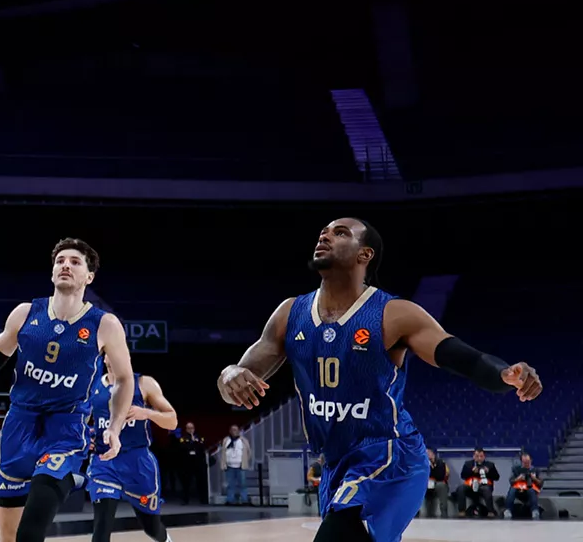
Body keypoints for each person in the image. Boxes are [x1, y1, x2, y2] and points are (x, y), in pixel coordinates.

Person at [217, 218, 542, 542]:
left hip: (389, 457)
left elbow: (462, 357)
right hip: (334, 464)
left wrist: (504, 375)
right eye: (324, 232)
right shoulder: (291, 313)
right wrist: (228, 374)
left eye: (340, 233)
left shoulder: (393, 313)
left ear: (365, 254)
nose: (325, 235)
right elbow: (239, 379)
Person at [0, 238, 135, 542]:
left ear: (89, 276)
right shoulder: (25, 313)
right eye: (60, 261)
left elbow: (124, 379)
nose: (65, 266)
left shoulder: (105, 325)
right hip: (19, 423)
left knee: (31, 530)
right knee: (9, 537)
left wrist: (114, 427)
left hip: (65, 429)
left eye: (75, 262)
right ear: (51, 272)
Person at [85, 359, 176, 542]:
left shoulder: (144, 384)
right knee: (102, 527)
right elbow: (81, 420)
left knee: (151, 527)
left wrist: (147, 413)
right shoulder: (92, 385)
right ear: (104, 358)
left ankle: (165, 539)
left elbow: (172, 420)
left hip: (138, 461)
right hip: (105, 461)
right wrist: (86, 438)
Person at [458, 448, 501, 518]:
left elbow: (497, 477)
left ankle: (491, 511)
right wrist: (471, 472)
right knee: (460, 489)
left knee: (486, 490)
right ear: (473, 456)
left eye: (481, 456)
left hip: (484, 485)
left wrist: (489, 472)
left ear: (484, 457)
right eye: (477, 456)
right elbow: (463, 476)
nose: (479, 458)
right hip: (470, 485)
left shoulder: (490, 465)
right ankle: (462, 511)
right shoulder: (468, 464)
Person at [219, 425, 252, 505]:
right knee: (230, 485)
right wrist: (224, 464)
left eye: (236, 430)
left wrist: (245, 461)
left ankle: (244, 500)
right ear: (230, 431)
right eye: (232, 430)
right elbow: (223, 452)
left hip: (240, 466)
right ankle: (230, 500)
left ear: (238, 431)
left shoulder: (243, 440)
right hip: (229, 466)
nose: (234, 431)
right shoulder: (226, 440)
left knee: (243, 484)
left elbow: (248, 452)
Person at [505, 451, 543, 519]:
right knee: (512, 490)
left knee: (531, 490)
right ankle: (508, 510)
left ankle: (535, 511)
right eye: (524, 462)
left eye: (527, 462)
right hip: (519, 489)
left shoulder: (536, 470)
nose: (526, 464)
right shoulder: (515, 469)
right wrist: (518, 479)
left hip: (530, 488)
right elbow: (511, 481)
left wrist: (534, 479)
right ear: (521, 461)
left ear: (531, 460)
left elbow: (541, 483)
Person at [422, 448, 451, 518]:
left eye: (429, 453)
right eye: (425, 453)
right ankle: (423, 513)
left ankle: (444, 513)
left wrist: (433, 467)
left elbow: (440, 476)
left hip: (438, 483)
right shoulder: (422, 463)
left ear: (433, 454)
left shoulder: (441, 463)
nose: (427, 455)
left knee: (441, 486)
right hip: (426, 484)